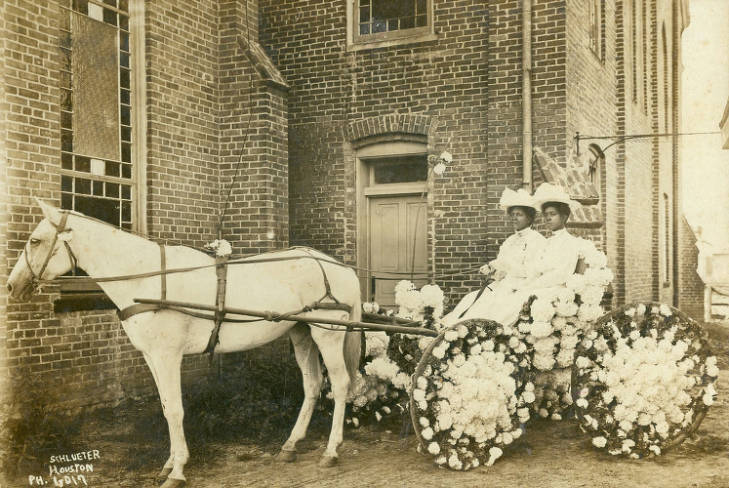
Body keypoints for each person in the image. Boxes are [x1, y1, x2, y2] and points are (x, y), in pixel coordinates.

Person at [443, 183, 582, 328]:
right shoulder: (547, 242)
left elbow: (558, 274)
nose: (547, 218)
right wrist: (494, 269)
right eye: (546, 215)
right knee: (474, 298)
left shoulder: (566, 242)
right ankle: (459, 328)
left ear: (565, 216)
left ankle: (488, 331)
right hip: (527, 285)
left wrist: (529, 284)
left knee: (506, 302)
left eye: (552, 214)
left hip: (548, 288)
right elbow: (534, 269)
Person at [443, 187, 545, 324]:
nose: (514, 218)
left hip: (520, 287)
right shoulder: (510, 240)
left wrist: (505, 266)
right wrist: (492, 269)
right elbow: (501, 267)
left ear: (529, 217)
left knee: (493, 306)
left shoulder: (537, 240)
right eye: (513, 214)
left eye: (519, 214)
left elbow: (531, 272)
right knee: (470, 299)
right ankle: (453, 328)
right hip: (503, 285)